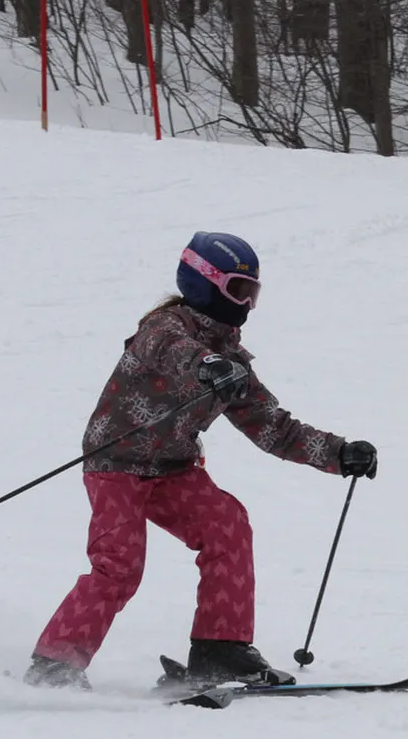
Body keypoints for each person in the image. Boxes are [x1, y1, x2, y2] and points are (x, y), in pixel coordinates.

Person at [23, 232, 378, 689]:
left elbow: (273, 427)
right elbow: (172, 352)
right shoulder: (165, 329)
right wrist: (206, 365)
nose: (246, 305)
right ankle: (54, 665)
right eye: (237, 291)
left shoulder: (231, 359)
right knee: (119, 564)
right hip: (117, 464)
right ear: (203, 285)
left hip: (174, 469)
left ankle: (219, 650)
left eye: (253, 293)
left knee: (226, 523)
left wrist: (337, 453)